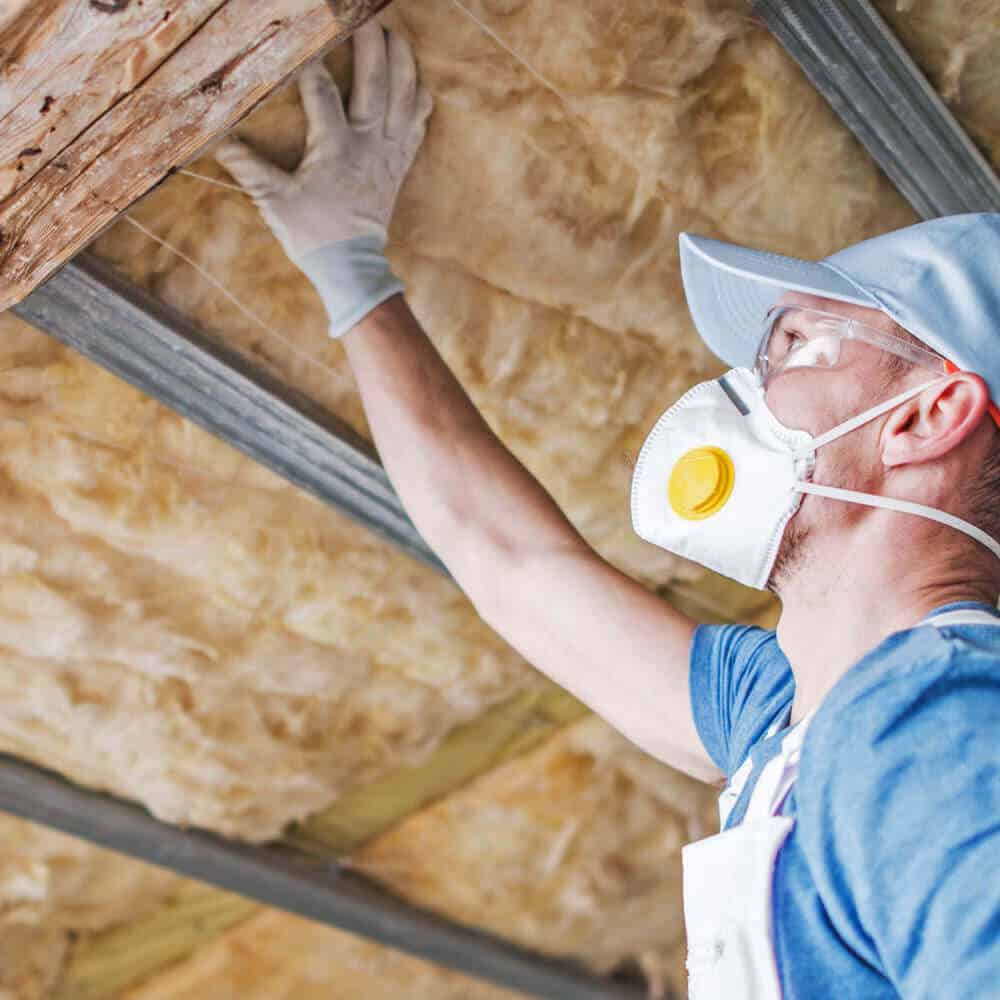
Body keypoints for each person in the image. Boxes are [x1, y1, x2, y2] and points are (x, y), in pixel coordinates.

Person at [215, 20, 1000, 1000]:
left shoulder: (941, 725)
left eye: (804, 346)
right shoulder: (786, 721)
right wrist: (352, 278)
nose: (746, 384)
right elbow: (512, 561)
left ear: (927, 415)